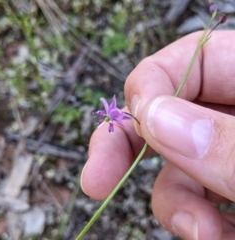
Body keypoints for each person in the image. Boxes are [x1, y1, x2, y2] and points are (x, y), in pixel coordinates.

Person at [81, 31, 235, 240]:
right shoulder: (117, 119)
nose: (108, 119)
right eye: (107, 118)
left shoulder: (120, 118)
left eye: (108, 117)